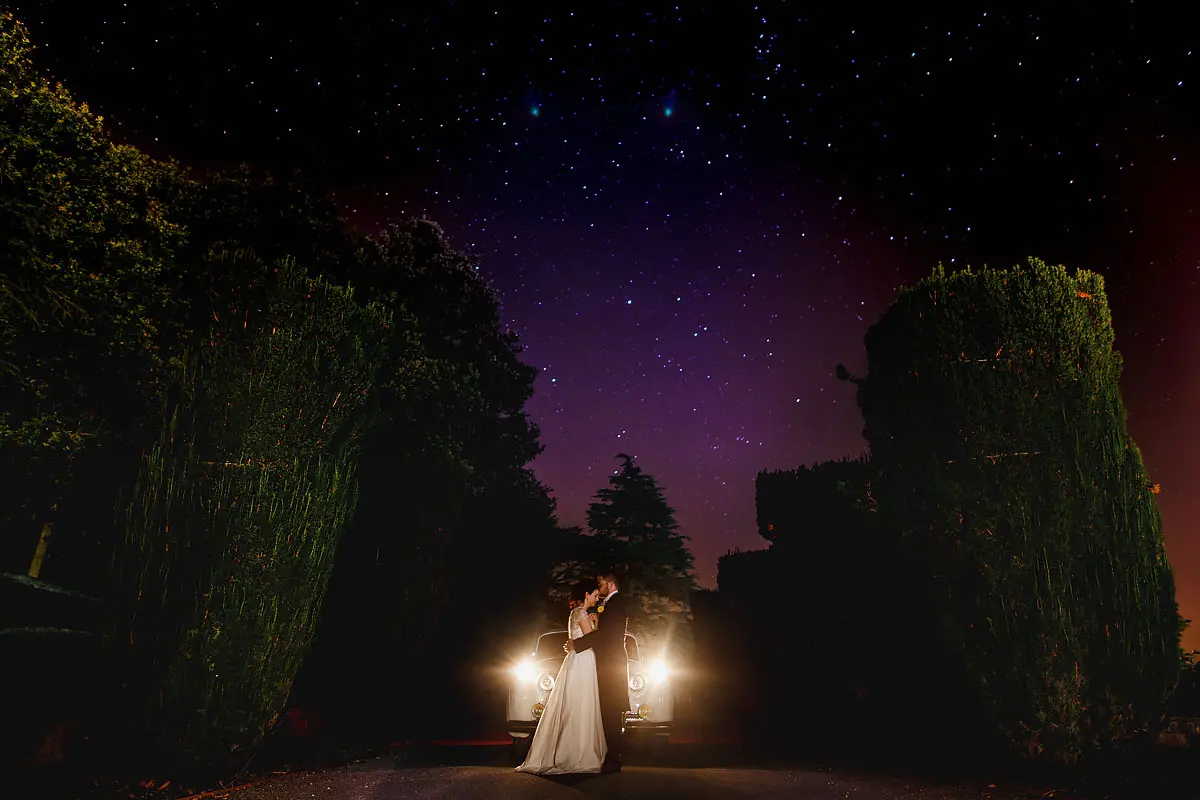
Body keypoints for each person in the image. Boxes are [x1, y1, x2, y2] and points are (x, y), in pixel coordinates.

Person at [515, 585, 607, 774]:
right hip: (583, 660)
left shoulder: (575, 613)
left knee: (574, 704)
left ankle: (572, 749)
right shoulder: (581, 613)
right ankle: (576, 752)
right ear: (586, 594)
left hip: (577, 659)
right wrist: (596, 623)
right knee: (580, 704)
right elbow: (591, 638)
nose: (597, 599)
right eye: (595, 595)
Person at [568, 571, 630, 773]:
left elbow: (605, 635)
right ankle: (611, 756)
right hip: (608, 663)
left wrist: (577, 644)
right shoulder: (611, 604)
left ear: (610, 585)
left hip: (611, 665)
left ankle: (613, 758)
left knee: (610, 713)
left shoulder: (616, 604)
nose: (600, 588)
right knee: (607, 712)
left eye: (601, 585)